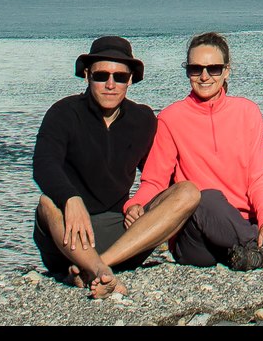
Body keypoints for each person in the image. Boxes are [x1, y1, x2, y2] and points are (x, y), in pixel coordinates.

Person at [126, 30, 263, 271]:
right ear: (187, 71)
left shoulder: (247, 112)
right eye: (195, 69)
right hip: (198, 236)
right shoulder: (170, 118)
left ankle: (260, 251)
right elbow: (154, 181)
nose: (204, 76)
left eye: (214, 69)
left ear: (227, 70)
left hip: (245, 223)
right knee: (205, 197)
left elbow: (259, 177)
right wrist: (134, 205)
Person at [32, 35, 199, 297]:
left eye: (119, 77)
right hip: (68, 235)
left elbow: (158, 175)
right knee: (46, 203)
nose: (110, 84)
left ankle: (98, 269)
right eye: (102, 76)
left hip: (119, 236)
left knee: (187, 191)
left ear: (130, 79)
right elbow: (43, 163)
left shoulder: (142, 119)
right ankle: (98, 270)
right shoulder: (63, 113)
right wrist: (70, 198)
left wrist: (139, 205)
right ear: (87, 75)